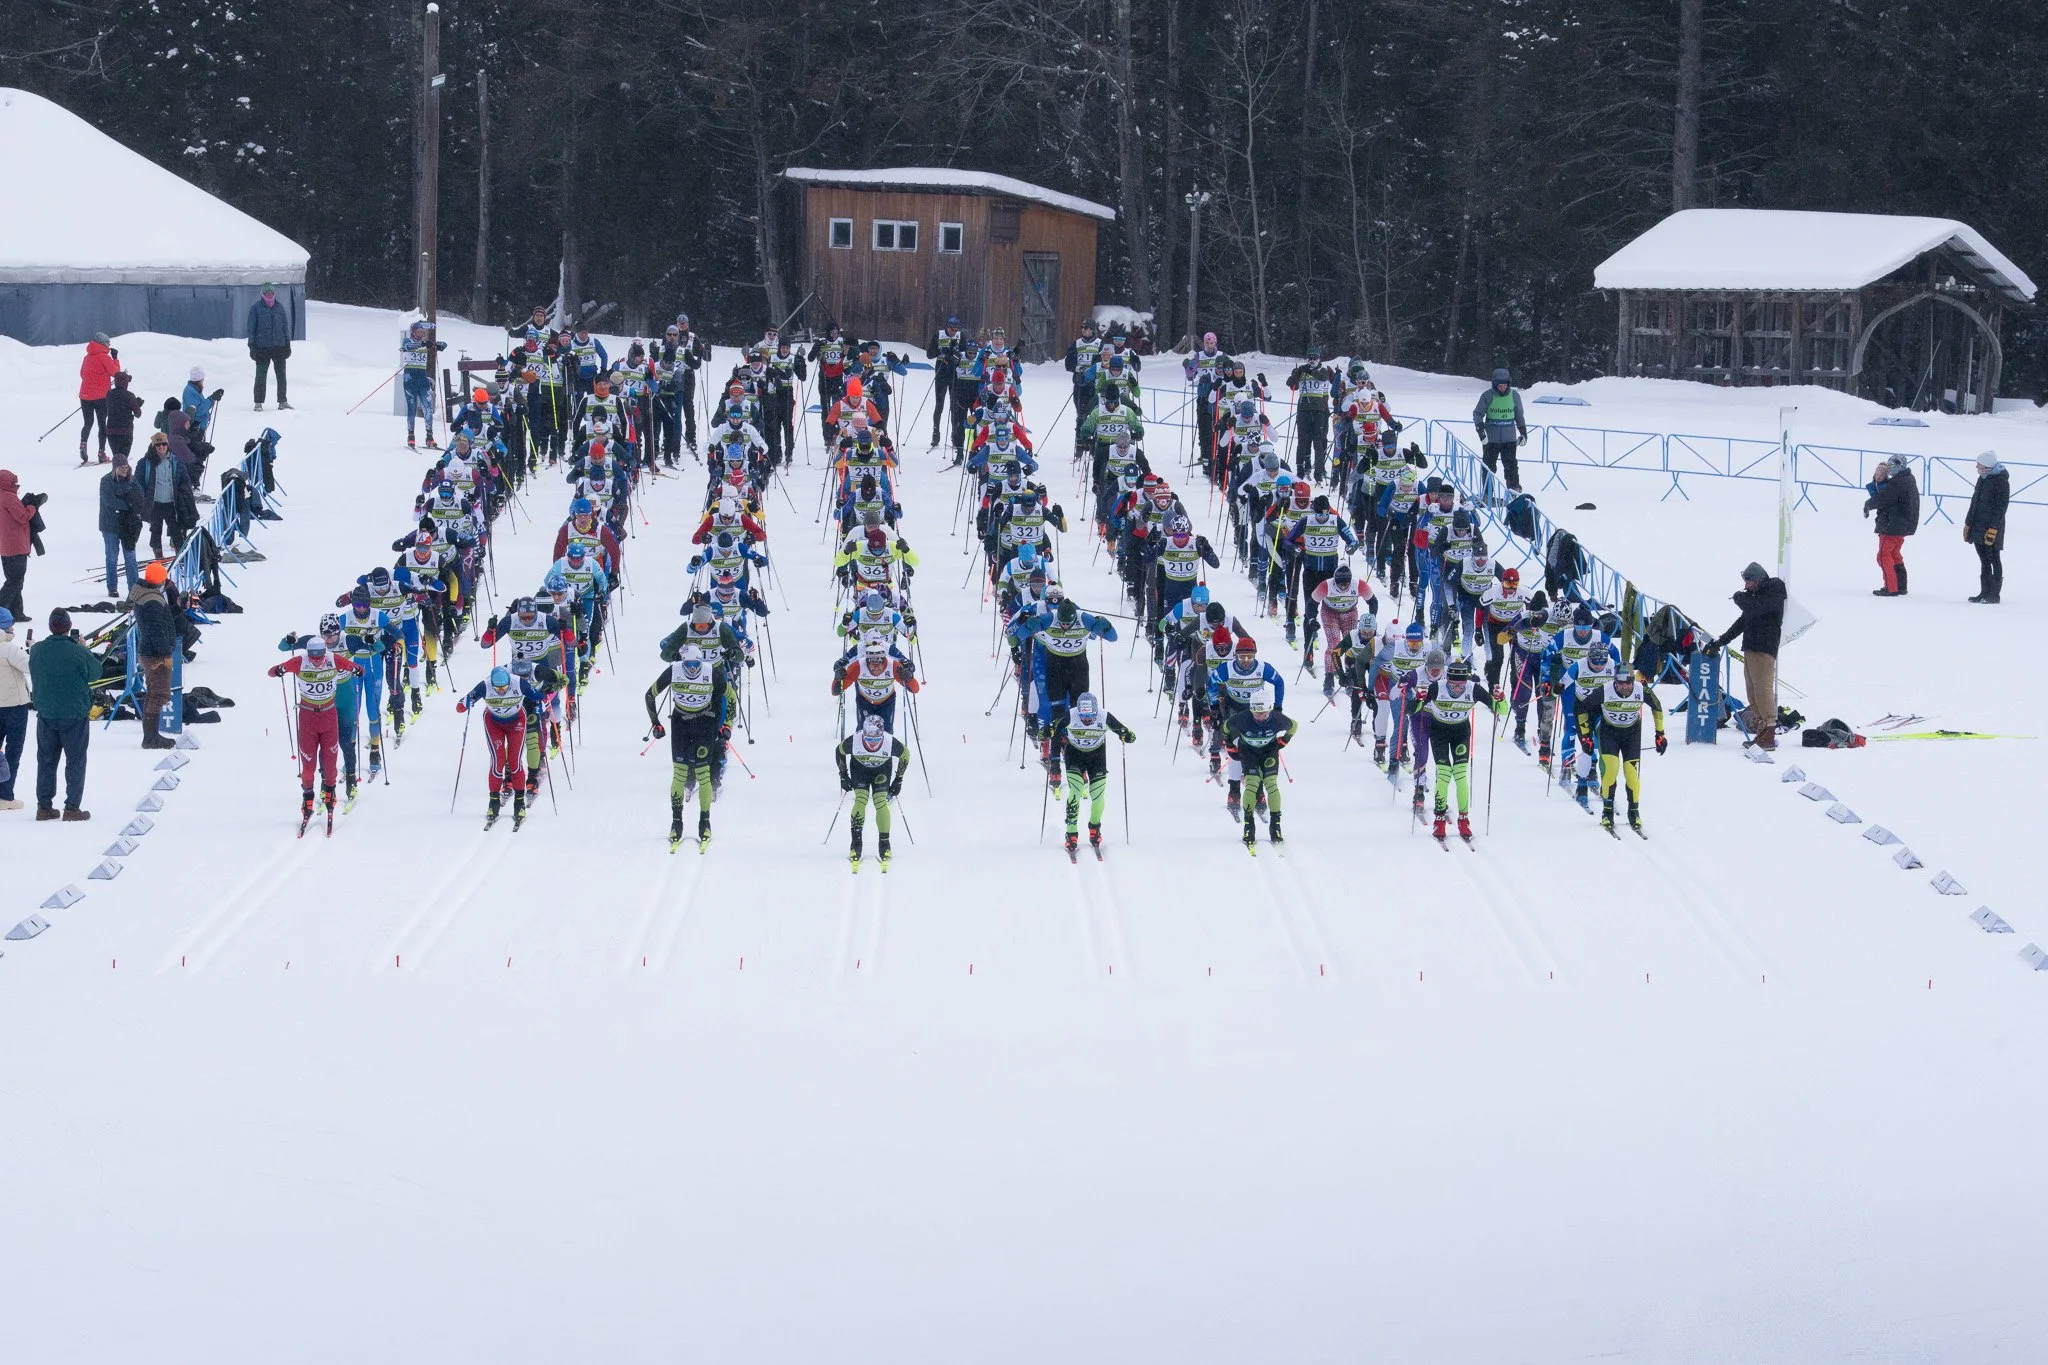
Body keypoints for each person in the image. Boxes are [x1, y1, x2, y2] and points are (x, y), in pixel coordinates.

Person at [1707, 561, 1786, 754]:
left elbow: (1755, 608)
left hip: (1764, 648)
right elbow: (1742, 622)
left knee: (1762, 690)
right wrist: (1721, 641)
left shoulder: (1774, 589)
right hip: (1751, 647)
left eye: (1749, 582)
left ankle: (1768, 731)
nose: (1746, 586)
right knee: (1752, 691)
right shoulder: (1754, 599)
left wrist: (1740, 598)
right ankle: (1761, 730)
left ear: (1759, 580)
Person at [29, 607, 97, 821]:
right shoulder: (77, 651)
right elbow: (96, 672)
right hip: (74, 713)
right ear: (68, 627)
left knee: (46, 761)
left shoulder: (38, 650)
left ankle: (44, 806)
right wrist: (84, 648)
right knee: (75, 761)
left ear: (51, 627)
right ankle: (72, 807)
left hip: (46, 713)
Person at [130, 561, 179, 749]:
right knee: (158, 695)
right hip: (156, 654)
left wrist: (177, 607)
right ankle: (150, 738)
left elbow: (159, 622)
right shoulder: (153, 600)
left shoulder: (144, 595)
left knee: (153, 694)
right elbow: (156, 629)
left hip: (149, 651)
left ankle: (151, 735)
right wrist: (166, 652)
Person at [1862, 456, 1920, 596]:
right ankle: (1900, 586)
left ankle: (1891, 587)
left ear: (1899, 466)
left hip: (1892, 525)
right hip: (1901, 525)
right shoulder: (1907, 479)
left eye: (1891, 465)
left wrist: (1868, 504)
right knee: (1894, 554)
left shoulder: (1898, 482)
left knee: (1883, 555)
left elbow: (1884, 498)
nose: (1889, 468)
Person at [135, 430, 196, 558]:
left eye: (164, 444)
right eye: (158, 445)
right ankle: (159, 558)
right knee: (155, 532)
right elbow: (138, 482)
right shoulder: (144, 462)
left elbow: (185, 480)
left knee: (177, 533)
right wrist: (142, 499)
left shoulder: (176, 461)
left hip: (172, 504)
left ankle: (181, 559)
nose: (161, 447)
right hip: (154, 504)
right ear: (153, 447)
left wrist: (185, 496)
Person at [1472, 367, 1527, 497]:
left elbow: (1519, 415)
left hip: (1509, 438)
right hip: (1491, 439)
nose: (1502, 388)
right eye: (1500, 385)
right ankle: (1487, 493)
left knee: (1511, 465)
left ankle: (1514, 490)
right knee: (1489, 466)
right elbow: (1478, 413)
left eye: (1505, 385)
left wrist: (1523, 432)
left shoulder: (1514, 396)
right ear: (1495, 384)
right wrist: (1480, 430)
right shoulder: (1487, 395)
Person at [98, 455, 147, 597]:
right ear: (115, 468)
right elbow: (110, 501)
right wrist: (129, 505)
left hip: (129, 525)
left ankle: (134, 588)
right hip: (110, 525)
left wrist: (131, 505)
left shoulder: (133, 481)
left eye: (126, 467)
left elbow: (140, 498)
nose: (125, 470)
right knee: (112, 557)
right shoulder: (106, 481)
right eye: (122, 467)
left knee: (130, 557)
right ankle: (112, 587)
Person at [1964, 452, 2008, 605]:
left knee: (1994, 558)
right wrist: (1968, 522)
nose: (1977, 467)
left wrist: (1994, 528)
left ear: (1987, 466)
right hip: (1978, 525)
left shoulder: (2001, 482)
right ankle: (1984, 592)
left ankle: (1994, 595)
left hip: (1991, 527)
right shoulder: (1982, 479)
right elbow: (1974, 502)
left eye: (1979, 465)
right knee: (1984, 560)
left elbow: (2001, 508)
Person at [1, 469, 44, 621]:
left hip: (5, 547)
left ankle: (16, 613)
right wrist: (33, 506)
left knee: (14, 579)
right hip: (16, 545)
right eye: (12, 480)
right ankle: (2, 610)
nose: (15, 482)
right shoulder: (8, 497)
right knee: (15, 581)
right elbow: (23, 516)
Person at [247, 283, 294, 410]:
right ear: (263, 294)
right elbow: (251, 328)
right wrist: (252, 346)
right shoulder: (255, 308)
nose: (269, 295)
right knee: (261, 376)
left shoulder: (280, 308)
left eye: (271, 293)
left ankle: (282, 401)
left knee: (281, 376)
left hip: (279, 347)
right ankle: (258, 402)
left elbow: (285, 327)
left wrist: (287, 344)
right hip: (262, 348)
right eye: (267, 293)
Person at [78, 331, 120, 464]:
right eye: (108, 342)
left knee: (88, 423)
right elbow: (116, 373)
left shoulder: (86, 357)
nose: (109, 345)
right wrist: (115, 358)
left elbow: (82, 374)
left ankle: (83, 444)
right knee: (102, 425)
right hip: (101, 397)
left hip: (85, 396)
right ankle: (101, 453)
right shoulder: (105, 357)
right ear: (103, 343)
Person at [0, 606, 27, 812]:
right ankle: (5, 796)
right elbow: (30, 666)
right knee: (13, 751)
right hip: (14, 708)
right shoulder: (10, 649)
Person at [105, 370, 143, 461]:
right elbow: (138, 414)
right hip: (126, 431)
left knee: (117, 457)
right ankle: (122, 474)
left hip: (111, 430)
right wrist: (138, 405)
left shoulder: (109, 394)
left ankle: (116, 473)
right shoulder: (129, 396)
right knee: (123, 459)